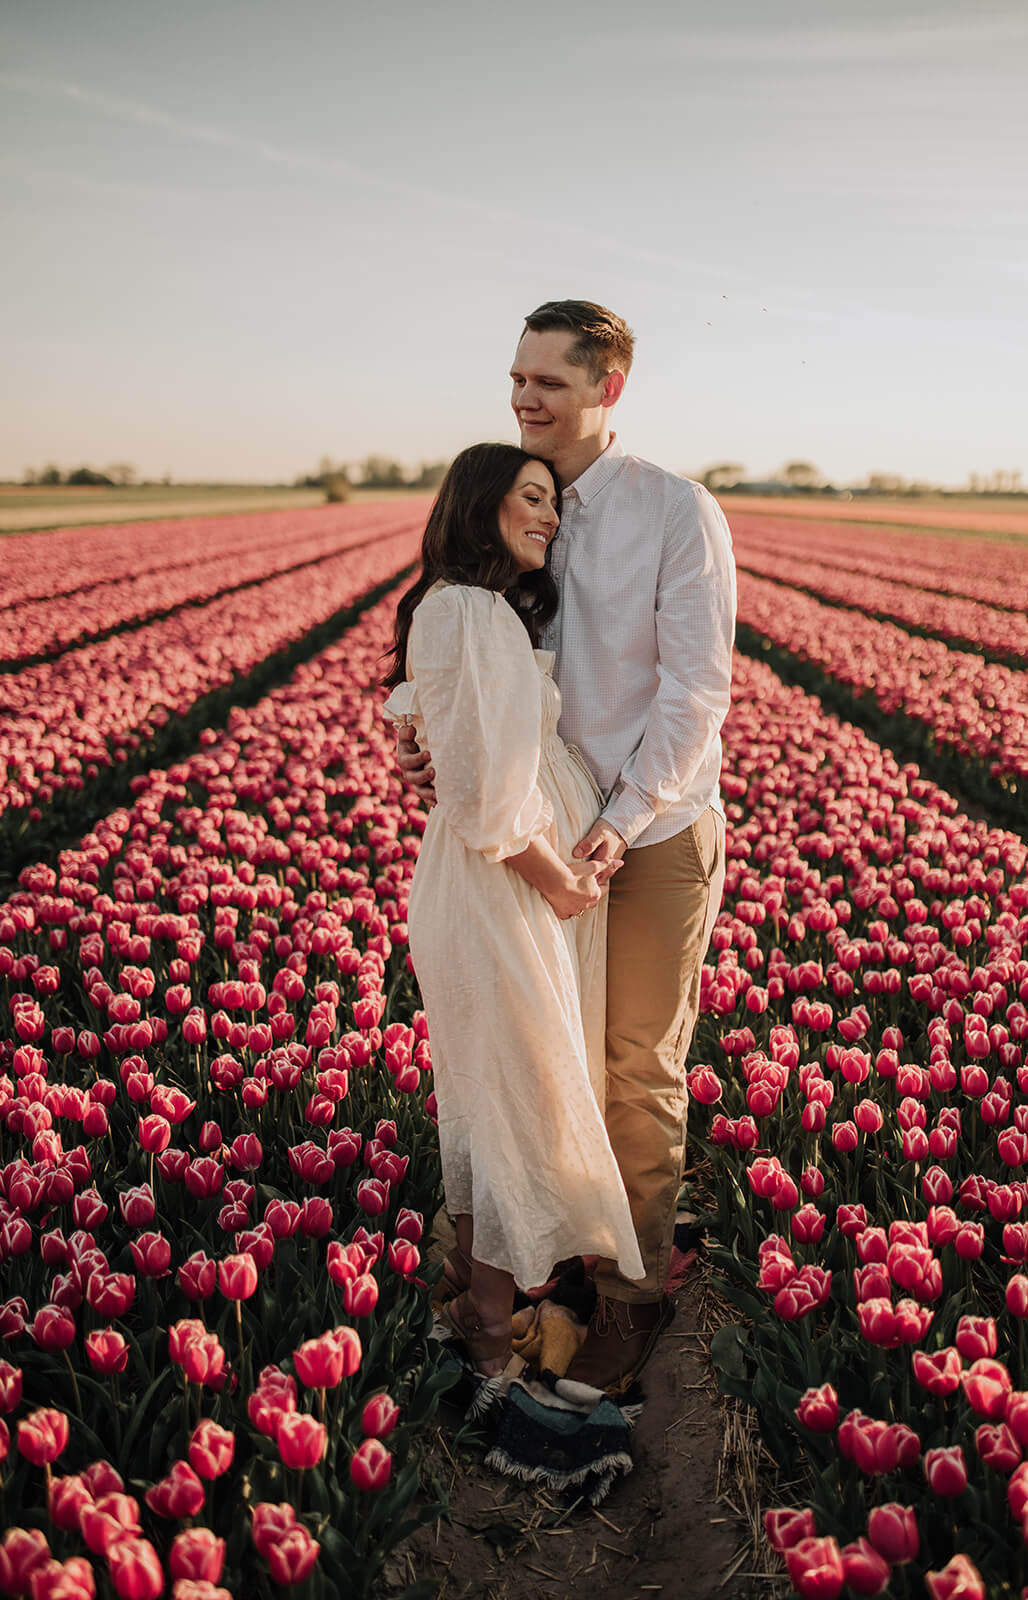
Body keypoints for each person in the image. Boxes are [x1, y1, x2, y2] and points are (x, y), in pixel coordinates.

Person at [398, 301, 736, 1394]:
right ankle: (549, 1266)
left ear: (609, 389)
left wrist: (615, 824)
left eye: (546, 381)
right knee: (549, 1059)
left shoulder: (675, 513)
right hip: (541, 837)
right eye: (516, 378)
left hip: (650, 827)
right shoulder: (512, 506)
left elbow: (694, 694)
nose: (522, 398)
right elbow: (476, 669)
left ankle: (631, 1294)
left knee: (635, 1066)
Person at [382, 441, 644, 1379]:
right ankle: (489, 1339)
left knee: (516, 1090)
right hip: (504, 889)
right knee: (512, 1102)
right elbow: (487, 795)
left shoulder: (472, 611)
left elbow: (441, 739)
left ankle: (480, 1306)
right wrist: (556, 877)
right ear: (480, 503)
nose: (549, 516)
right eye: (531, 498)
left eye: (555, 503)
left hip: (508, 886)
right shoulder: (465, 611)